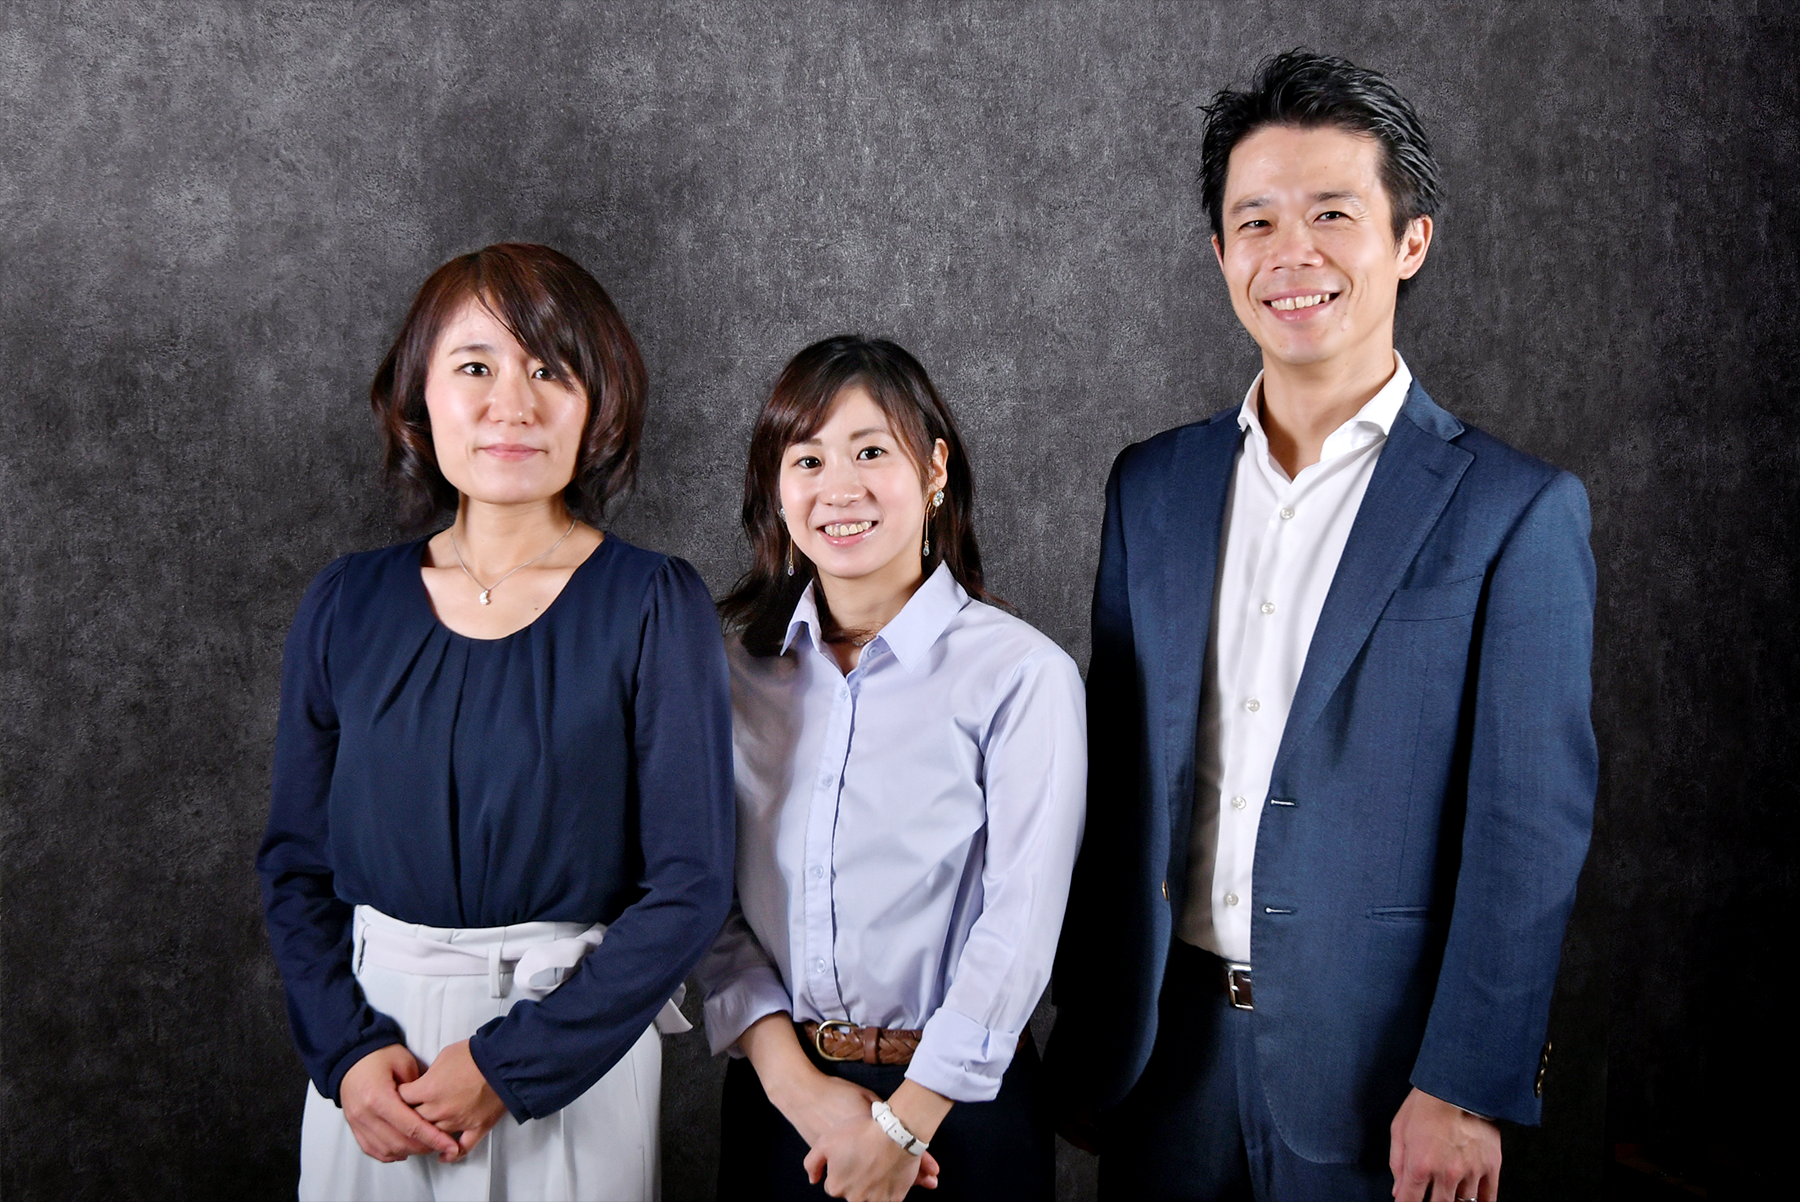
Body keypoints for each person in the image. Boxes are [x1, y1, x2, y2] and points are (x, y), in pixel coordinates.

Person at [1045, 51, 1598, 1202]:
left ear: (1411, 241)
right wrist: (1090, 1028)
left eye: (1333, 214)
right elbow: (1120, 782)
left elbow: (1528, 826)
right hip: (1161, 1061)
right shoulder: (1151, 487)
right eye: (1256, 221)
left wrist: (1465, 1084)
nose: (1290, 252)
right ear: (1221, 254)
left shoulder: (1515, 510)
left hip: (1387, 1083)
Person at [256, 242, 734, 1201]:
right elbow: (295, 868)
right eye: (475, 367)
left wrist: (511, 1066)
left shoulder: (652, 603)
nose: (511, 404)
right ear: (419, 395)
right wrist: (347, 1056)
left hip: (573, 1054)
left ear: (598, 404)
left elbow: (691, 884)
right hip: (376, 1065)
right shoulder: (346, 603)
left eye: (551, 370)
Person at [695, 336, 1086, 1201]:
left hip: (960, 1118)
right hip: (780, 1108)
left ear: (934, 468)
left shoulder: (1021, 675)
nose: (840, 488)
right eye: (808, 459)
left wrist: (904, 1123)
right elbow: (708, 903)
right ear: (777, 490)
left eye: (871, 451)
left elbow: (1018, 929)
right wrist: (799, 1092)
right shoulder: (733, 679)